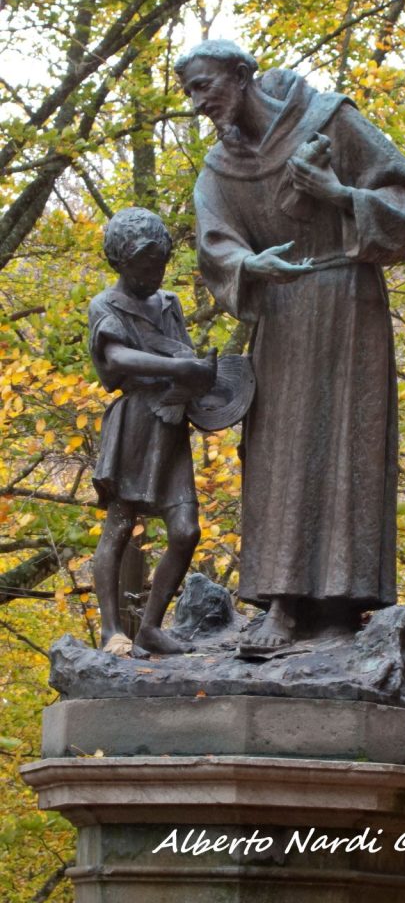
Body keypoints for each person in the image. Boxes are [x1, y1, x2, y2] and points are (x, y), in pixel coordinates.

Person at [175, 40, 405, 655]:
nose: (198, 103)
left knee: (347, 446)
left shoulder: (329, 121)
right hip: (284, 317)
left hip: (348, 304)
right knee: (278, 454)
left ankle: (342, 610)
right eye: (190, 91)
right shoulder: (218, 168)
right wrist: (250, 263)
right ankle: (281, 606)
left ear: (242, 76)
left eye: (205, 86)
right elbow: (215, 245)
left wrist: (338, 193)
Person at [88, 207, 216, 655]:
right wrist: (178, 366)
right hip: (135, 426)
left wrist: (201, 377)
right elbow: (118, 359)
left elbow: (189, 355)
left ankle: (151, 627)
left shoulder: (169, 305)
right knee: (120, 525)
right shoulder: (106, 305)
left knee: (185, 531)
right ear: (120, 262)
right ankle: (111, 631)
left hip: (172, 422)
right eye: (147, 264)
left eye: (161, 262)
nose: (157, 271)